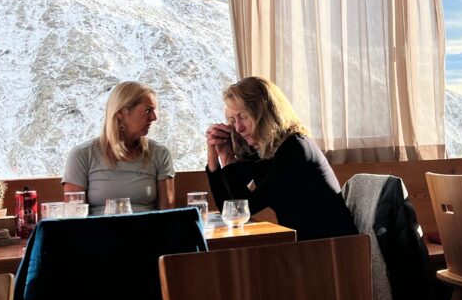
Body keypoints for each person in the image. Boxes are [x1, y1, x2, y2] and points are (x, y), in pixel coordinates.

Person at [205, 76, 357, 241]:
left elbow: (243, 208)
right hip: (305, 245)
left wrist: (228, 158)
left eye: (243, 117)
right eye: (233, 120)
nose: (238, 128)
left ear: (264, 114)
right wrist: (214, 160)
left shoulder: (295, 148)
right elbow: (229, 210)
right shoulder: (265, 151)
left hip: (335, 247)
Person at [63, 81, 175, 215]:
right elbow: (75, 216)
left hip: (148, 228)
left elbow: (167, 215)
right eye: (148, 110)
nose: (154, 117)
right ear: (121, 112)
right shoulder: (82, 155)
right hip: (99, 228)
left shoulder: (160, 154)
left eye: (154, 110)